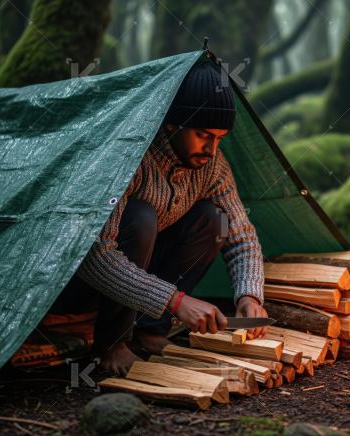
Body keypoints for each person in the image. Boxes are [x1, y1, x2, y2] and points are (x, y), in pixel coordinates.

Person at [50, 60, 268, 375]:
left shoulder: (212, 165)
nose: (211, 148)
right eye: (203, 134)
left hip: (140, 286)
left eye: (219, 138)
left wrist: (249, 295)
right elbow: (94, 255)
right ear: (172, 124)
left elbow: (241, 235)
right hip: (79, 285)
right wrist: (177, 301)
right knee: (140, 217)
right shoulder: (130, 159)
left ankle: (151, 331)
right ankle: (111, 346)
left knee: (213, 218)